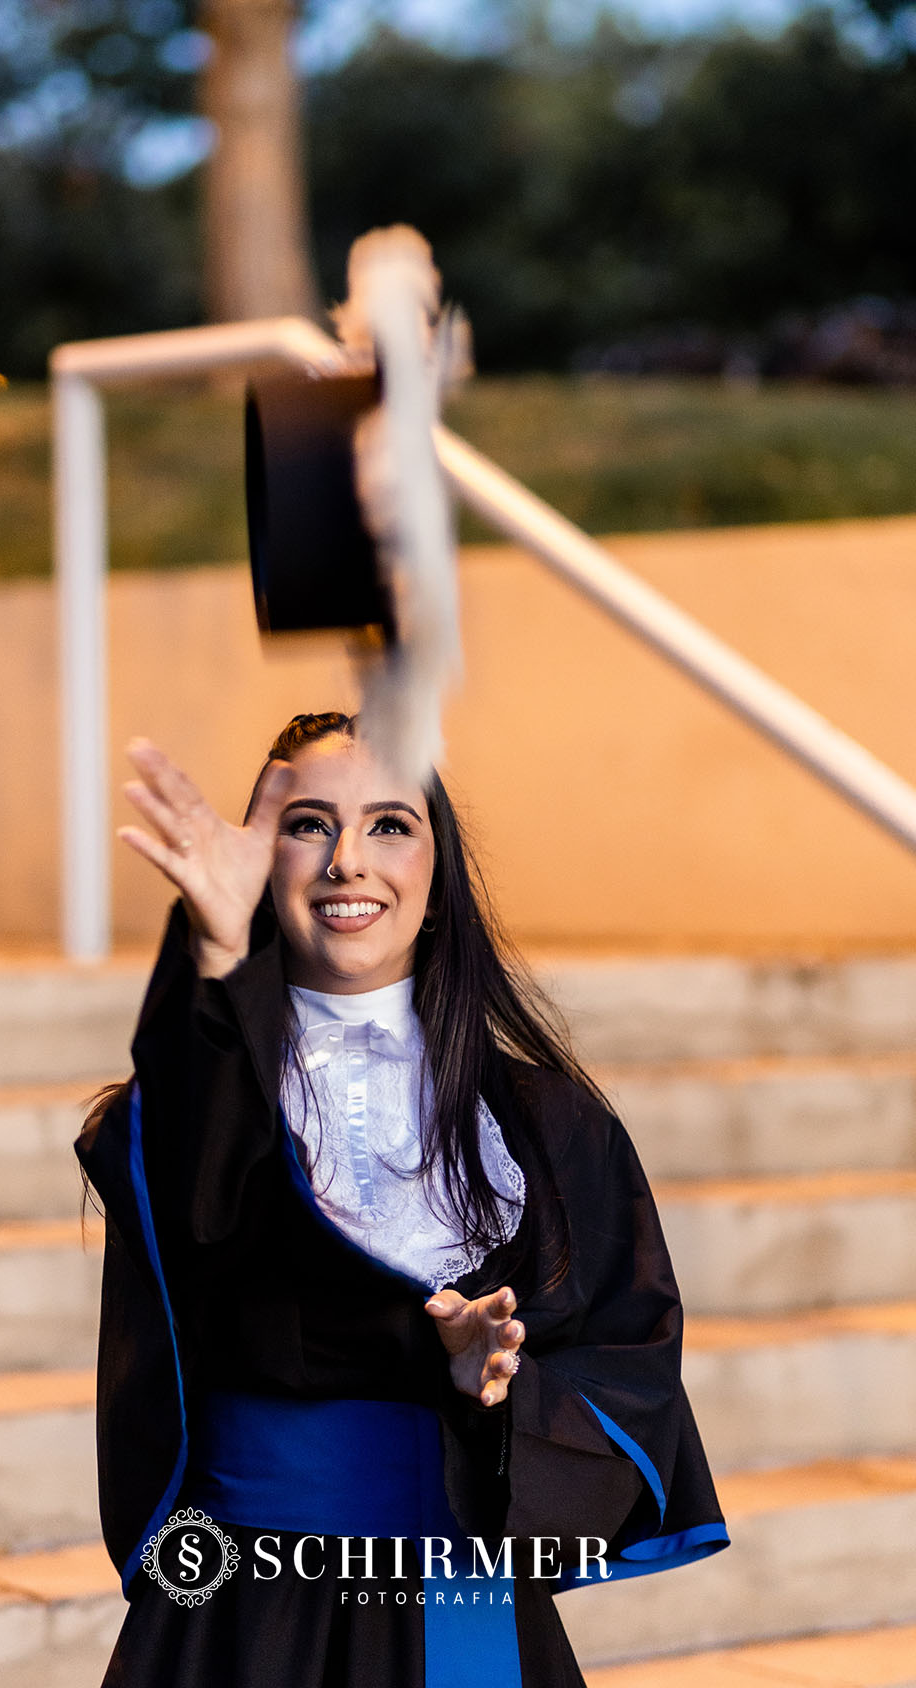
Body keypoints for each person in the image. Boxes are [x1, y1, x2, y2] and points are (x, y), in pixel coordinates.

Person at [76, 710, 728, 1688]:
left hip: (465, 1593)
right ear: (260, 863)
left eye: (389, 824)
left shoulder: (550, 1124)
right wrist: (215, 955)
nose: (347, 860)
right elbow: (199, 1210)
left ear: (438, 876)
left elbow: (630, 1361)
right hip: (246, 1606)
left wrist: (493, 1390)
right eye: (306, 825)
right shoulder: (180, 1101)